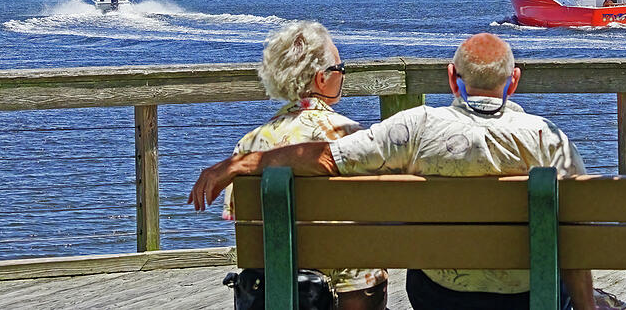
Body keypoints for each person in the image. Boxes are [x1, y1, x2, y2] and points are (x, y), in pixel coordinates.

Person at [190, 33, 597, 310]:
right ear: (515, 80)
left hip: (440, 296)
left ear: (452, 77)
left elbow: (324, 158)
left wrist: (242, 163)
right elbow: (577, 235)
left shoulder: (416, 126)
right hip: (527, 296)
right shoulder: (548, 139)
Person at [222, 20, 387, 310]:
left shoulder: (247, 145)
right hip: (347, 290)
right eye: (341, 69)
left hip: (273, 280)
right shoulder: (350, 137)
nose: (344, 76)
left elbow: (242, 221)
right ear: (322, 79)